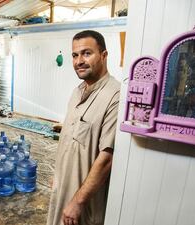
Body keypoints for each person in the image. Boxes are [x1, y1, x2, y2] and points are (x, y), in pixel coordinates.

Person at [47, 30, 120, 225]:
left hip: (84, 202)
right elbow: (68, 140)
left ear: (104, 55)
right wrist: (58, 176)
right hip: (62, 190)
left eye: (87, 53)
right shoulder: (77, 91)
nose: (79, 60)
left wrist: (78, 202)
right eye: (75, 55)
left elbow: (107, 158)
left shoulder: (115, 96)